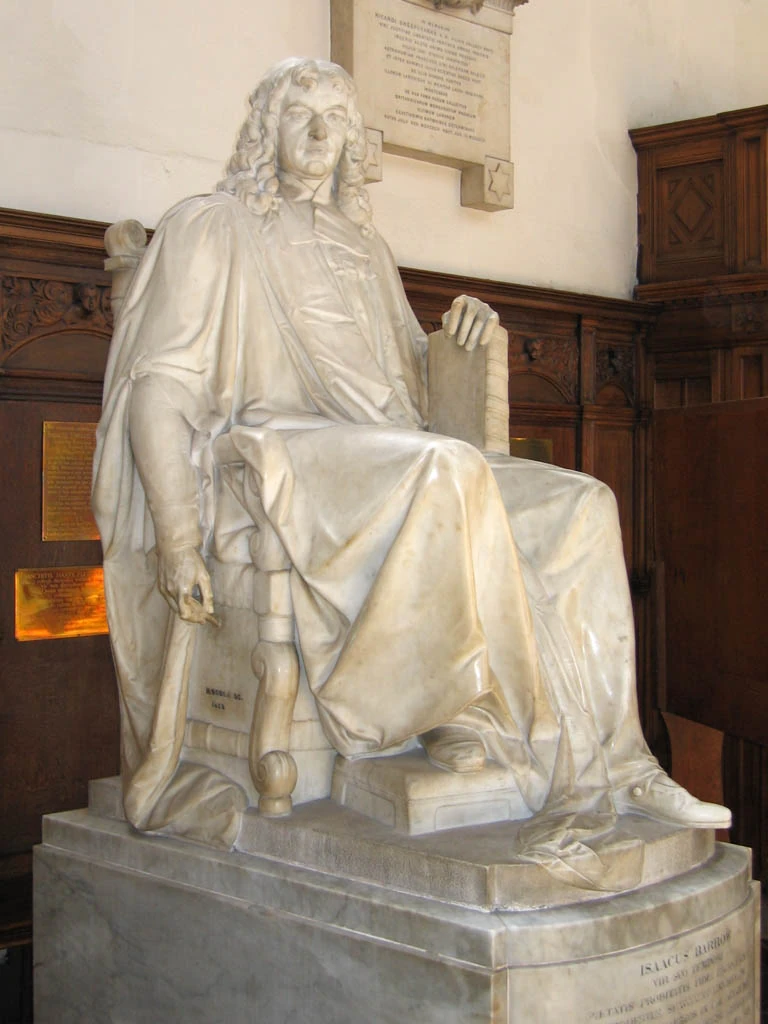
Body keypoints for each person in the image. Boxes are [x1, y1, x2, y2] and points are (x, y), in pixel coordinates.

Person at [93, 57, 728, 860]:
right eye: (300, 114)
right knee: (443, 471)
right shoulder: (212, 227)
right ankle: (452, 709)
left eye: (336, 118)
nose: (319, 133)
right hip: (286, 453)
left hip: (391, 454)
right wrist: (180, 538)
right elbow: (160, 388)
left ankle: (617, 760)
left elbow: (407, 393)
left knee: (582, 504)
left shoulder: (366, 248)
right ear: (264, 129)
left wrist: (462, 339)